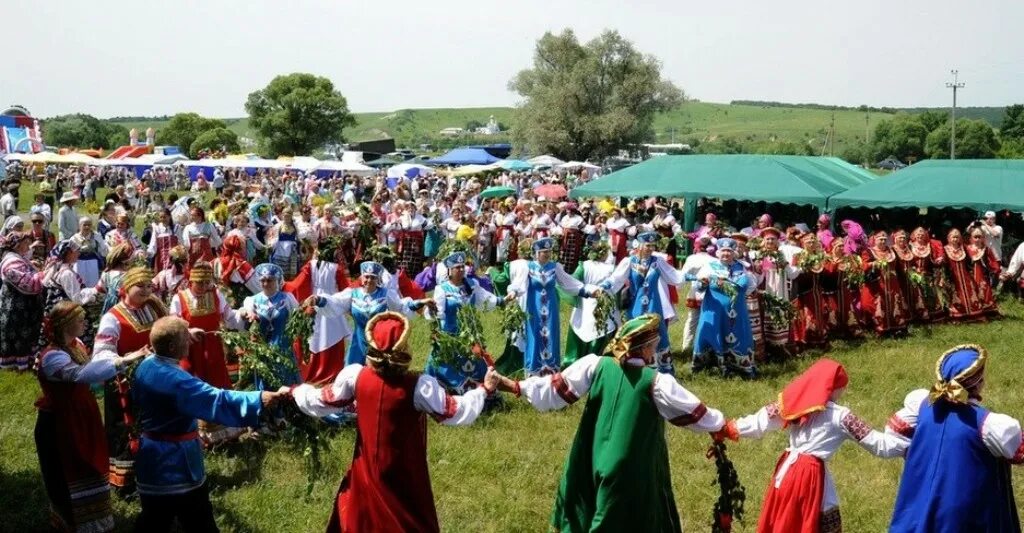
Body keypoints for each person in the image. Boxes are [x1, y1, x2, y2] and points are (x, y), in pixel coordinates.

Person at [494, 314, 727, 532]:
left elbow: (554, 390)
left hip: (589, 454)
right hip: (630, 465)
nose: (654, 351)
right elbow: (695, 412)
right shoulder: (656, 382)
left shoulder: (595, 365)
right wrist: (723, 426)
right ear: (644, 348)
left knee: (588, 505)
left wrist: (512, 385)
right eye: (654, 345)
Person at [288, 311, 494, 532]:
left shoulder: (356, 377)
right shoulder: (418, 386)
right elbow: (455, 411)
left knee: (362, 518)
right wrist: (483, 390)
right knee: (405, 519)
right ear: (404, 347)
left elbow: (320, 401)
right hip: (404, 471)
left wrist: (296, 390)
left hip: (365, 468)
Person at [716, 358, 907, 533]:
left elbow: (762, 420)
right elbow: (878, 444)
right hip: (810, 474)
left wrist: (729, 427)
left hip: (786, 471)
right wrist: (910, 446)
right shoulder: (841, 416)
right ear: (833, 388)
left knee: (786, 519)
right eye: (842, 387)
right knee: (815, 519)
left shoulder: (796, 402)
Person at [132, 316, 283, 532]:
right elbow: (217, 400)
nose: (189, 343)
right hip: (176, 462)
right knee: (198, 519)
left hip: (150, 458)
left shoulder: (146, 365)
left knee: (153, 517)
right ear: (174, 346)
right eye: (185, 339)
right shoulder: (177, 381)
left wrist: (186, 333)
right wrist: (259, 399)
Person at [34, 302, 147, 533]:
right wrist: (122, 361)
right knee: (69, 471)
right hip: (61, 423)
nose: (84, 323)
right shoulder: (52, 357)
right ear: (65, 325)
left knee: (91, 465)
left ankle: (94, 520)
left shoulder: (76, 344)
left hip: (82, 416)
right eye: (79, 320)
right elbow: (82, 374)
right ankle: (74, 523)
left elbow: (94, 370)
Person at [887, 344, 1022, 532]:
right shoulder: (987, 423)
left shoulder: (923, 406)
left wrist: (920, 456)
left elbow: (895, 431)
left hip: (922, 492)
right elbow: (1018, 452)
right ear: (978, 382)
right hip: (964, 503)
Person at [93, 266, 167, 491]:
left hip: (151, 380)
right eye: (140, 286)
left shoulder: (151, 310)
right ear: (125, 289)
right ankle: (124, 481)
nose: (146, 291)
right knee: (126, 428)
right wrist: (126, 359)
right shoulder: (112, 317)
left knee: (150, 425)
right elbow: (101, 354)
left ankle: (152, 471)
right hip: (123, 384)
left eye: (148, 286)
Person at [169, 262, 249, 443]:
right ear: (191, 281)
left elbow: (230, 317)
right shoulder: (179, 298)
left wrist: (242, 313)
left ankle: (226, 433)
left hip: (213, 349)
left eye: (207, 283)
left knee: (218, 384)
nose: (204, 287)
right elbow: (173, 324)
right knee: (194, 387)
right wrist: (187, 332)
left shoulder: (216, 294)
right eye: (200, 283)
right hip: (190, 350)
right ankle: (196, 435)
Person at [507, 237, 600, 376]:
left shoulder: (555, 267)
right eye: (544, 252)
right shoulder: (529, 267)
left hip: (551, 309)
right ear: (537, 253)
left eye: (549, 251)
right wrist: (513, 292)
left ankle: (551, 370)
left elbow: (569, 283)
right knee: (534, 335)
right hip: (533, 308)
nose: (547, 254)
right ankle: (534, 370)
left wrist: (587, 291)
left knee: (550, 334)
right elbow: (519, 283)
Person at [600, 232, 687, 374]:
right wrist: (605, 286)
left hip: (654, 305)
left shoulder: (657, 262)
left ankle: (662, 372)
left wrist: (692, 277)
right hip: (635, 306)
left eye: (653, 245)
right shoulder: (629, 261)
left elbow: (674, 276)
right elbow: (616, 278)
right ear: (639, 245)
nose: (651, 248)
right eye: (647, 245)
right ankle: (633, 369)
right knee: (635, 334)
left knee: (658, 335)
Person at [307, 261, 423, 367]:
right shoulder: (353, 294)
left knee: (376, 372)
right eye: (367, 277)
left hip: (378, 342)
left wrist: (417, 304)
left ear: (377, 279)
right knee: (353, 370)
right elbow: (336, 302)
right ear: (362, 278)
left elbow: (400, 307)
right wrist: (319, 300)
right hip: (358, 341)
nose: (369, 280)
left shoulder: (386, 295)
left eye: (373, 277)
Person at [426, 251, 510, 393]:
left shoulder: (471, 285)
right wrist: (432, 312)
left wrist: (503, 300)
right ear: (449, 271)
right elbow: (436, 314)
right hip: (450, 336)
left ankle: (483, 390)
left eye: (462, 267)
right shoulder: (442, 289)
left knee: (476, 362)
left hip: (469, 334)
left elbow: (485, 297)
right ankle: (452, 388)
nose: (460, 270)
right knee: (445, 363)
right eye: (457, 267)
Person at [282, 237, 352, 385]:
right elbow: (347, 289)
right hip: (331, 306)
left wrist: (282, 285)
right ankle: (331, 371)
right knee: (331, 336)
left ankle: (312, 370)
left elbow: (297, 285)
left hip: (313, 304)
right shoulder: (336, 269)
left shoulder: (310, 266)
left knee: (312, 337)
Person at [691, 237, 757, 377]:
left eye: (729, 251)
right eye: (723, 251)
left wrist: (738, 296)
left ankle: (739, 366)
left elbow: (751, 285)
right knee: (713, 333)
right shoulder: (709, 266)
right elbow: (698, 286)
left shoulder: (743, 267)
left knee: (738, 334)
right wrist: (703, 283)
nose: (726, 254)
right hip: (714, 311)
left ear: (734, 253)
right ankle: (712, 365)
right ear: (717, 253)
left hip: (737, 312)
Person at [564, 242, 619, 367]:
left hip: (585, 303)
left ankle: (576, 363)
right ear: (604, 253)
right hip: (604, 303)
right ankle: (601, 365)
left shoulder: (583, 266)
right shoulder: (611, 268)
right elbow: (617, 288)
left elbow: (573, 283)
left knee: (583, 328)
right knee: (603, 329)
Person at [0, 231, 45, 371]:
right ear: (18, 245)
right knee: (18, 332)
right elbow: (29, 283)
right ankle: (16, 365)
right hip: (16, 306)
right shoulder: (11, 262)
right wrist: (44, 274)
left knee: (25, 332)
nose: (28, 245)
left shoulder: (17, 256)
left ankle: (24, 361)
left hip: (23, 304)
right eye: (26, 243)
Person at [860, 230, 909, 336]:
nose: (883, 241)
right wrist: (873, 264)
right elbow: (863, 266)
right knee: (879, 305)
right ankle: (881, 328)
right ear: (874, 240)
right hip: (878, 285)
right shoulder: (868, 251)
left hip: (892, 284)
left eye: (884, 239)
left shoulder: (892, 251)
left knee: (894, 304)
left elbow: (898, 267)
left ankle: (897, 327)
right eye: (880, 239)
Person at [790, 233, 831, 351]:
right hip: (804, 292)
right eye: (808, 242)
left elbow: (826, 272)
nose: (811, 244)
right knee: (806, 315)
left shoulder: (820, 255)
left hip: (817, 290)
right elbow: (795, 274)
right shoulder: (798, 256)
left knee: (819, 314)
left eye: (813, 242)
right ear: (803, 243)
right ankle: (804, 340)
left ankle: (819, 340)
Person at [943, 228, 990, 322]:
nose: (955, 239)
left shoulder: (963, 248)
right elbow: (944, 265)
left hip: (965, 276)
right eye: (953, 237)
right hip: (953, 277)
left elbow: (969, 262)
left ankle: (974, 314)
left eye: (957, 237)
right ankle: (957, 316)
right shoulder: (945, 249)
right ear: (949, 238)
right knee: (955, 295)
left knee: (971, 294)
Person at [70, 217, 109, 288]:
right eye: (84, 225)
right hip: (78, 263)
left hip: (93, 263)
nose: (87, 227)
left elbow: (103, 250)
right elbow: (70, 253)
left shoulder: (96, 236)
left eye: (89, 225)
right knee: (79, 284)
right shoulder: (74, 238)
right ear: (80, 226)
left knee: (93, 284)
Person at [267, 207, 300, 280]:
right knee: (280, 268)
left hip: (292, 250)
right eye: (285, 215)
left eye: (288, 216)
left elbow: (298, 237)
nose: (286, 217)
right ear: (282, 215)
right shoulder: (278, 226)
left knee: (291, 268)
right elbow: (274, 238)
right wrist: (271, 246)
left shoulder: (294, 226)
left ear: (291, 216)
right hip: (281, 249)